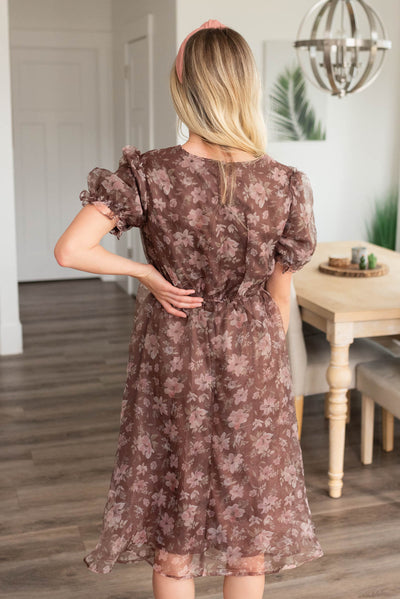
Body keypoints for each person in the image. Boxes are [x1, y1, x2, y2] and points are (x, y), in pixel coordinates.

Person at [54, 18, 324, 599]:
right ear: (244, 86)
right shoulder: (284, 183)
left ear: (185, 88)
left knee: (176, 512)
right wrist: (259, 362)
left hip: (173, 351)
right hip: (253, 358)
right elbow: (282, 297)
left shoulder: (149, 173)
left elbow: (71, 250)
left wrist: (145, 272)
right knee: (247, 522)